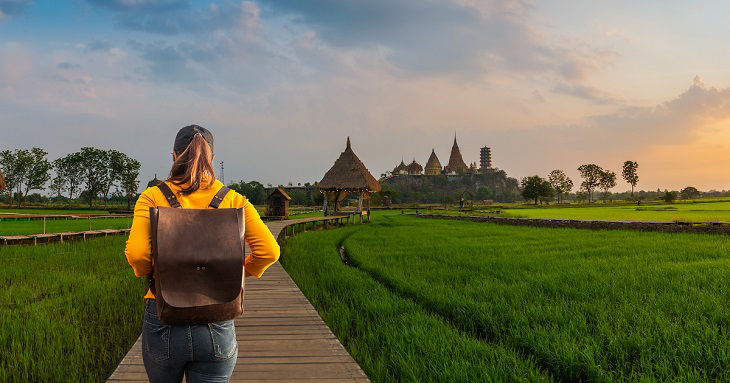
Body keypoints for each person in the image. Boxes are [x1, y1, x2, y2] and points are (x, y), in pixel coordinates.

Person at [125, 125, 280, 383]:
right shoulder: (234, 200)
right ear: (211, 159)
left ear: (174, 156)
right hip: (216, 318)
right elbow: (269, 251)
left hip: (164, 315)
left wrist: (153, 275)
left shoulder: (152, 197)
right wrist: (239, 272)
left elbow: (138, 254)